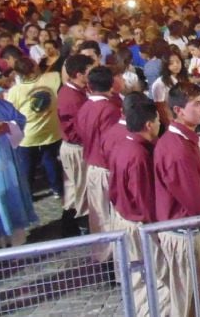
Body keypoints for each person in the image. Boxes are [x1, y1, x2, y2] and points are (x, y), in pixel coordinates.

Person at [153, 83, 200, 317]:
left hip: (189, 230)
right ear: (178, 110)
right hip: (188, 234)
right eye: (197, 104)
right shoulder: (178, 150)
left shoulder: (184, 141)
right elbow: (194, 199)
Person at [107, 98, 170, 315]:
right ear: (149, 125)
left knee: (137, 277)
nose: (161, 124)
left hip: (124, 218)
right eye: (158, 121)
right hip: (140, 224)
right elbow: (144, 198)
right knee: (157, 277)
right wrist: (158, 229)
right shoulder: (139, 155)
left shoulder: (123, 144)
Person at [0, 71, 36, 250]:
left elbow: (20, 121)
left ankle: (15, 239)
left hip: (5, 163)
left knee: (9, 196)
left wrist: (7, 126)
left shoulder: (2, 105)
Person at [75, 66, 121, 260]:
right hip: (106, 168)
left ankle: (102, 256)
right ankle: (115, 260)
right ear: (111, 84)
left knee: (99, 215)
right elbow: (112, 142)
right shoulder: (109, 109)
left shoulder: (85, 107)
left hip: (92, 165)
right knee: (112, 216)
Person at [7, 58, 63, 198]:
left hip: (27, 134)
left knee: (28, 165)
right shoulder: (52, 79)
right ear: (35, 67)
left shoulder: (15, 91)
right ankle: (57, 189)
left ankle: (28, 193)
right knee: (50, 160)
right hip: (50, 130)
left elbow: (10, 113)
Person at [56, 54, 95, 235]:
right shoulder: (71, 96)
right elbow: (79, 127)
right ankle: (84, 228)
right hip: (77, 148)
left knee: (73, 190)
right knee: (83, 190)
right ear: (79, 74)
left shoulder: (78, 90)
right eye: (90, 71)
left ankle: (68, 228)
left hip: (76, 146)